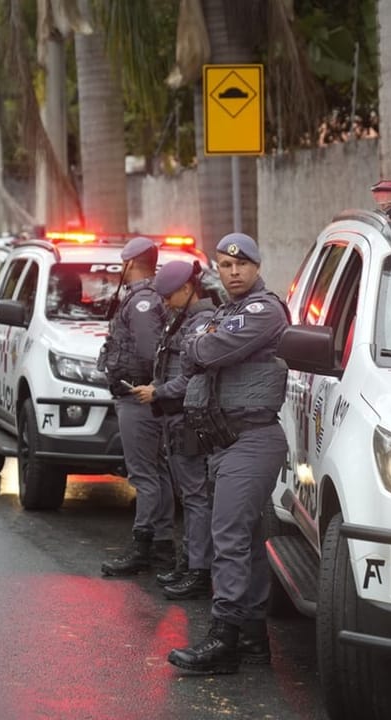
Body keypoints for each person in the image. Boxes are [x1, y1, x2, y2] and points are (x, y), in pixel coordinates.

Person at [167, 233, 289, 675]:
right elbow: (191, 348)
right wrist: (201, 345)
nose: (233, 271)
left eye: (242, 264)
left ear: (256, 266)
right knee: (246, 542)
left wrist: (202, 345)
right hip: (223, 443)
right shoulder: (221, 312)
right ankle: (253, 639)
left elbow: (208, 349)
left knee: (228, 538)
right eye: (224, 264)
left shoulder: (264, 310)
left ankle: (224, 637)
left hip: (253, 438)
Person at [130, 260, 217, 600]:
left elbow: (194, 375)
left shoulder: (202, 322)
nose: (164, 302)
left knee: (196, 497)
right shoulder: (183, 318)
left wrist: (159, 392)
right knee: (190, 496)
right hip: (177, 417)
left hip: (189, 418)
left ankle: (199, 570)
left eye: (169, 295)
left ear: (187, 288)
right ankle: (190, 562)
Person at [97, 236, 174, 576]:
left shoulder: (142, 301)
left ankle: (145, 545)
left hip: (138, 398)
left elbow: (149, 351)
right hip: (145, 398)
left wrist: (150, 388)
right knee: (156, 473)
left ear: (132, 262)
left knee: (145, 475)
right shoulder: (150, 296)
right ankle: (161, 546)